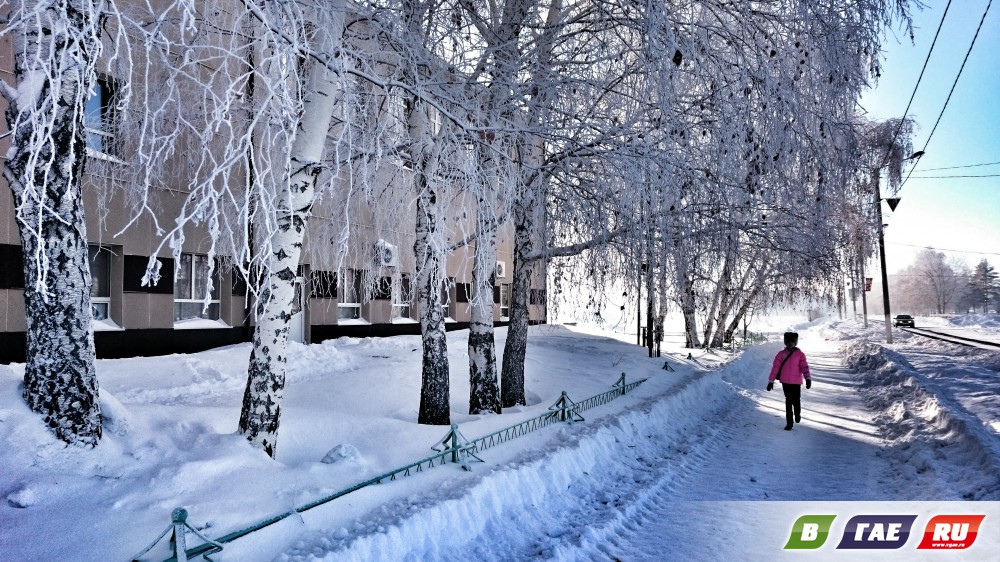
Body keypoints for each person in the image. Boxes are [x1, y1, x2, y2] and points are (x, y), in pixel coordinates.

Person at [766, 331, 811, 430]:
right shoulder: (780, 354)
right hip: (785, 382)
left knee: (796, 400)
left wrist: (808, 378)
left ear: (795, 342)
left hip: (796, 382)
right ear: (785, 342)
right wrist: (770, 381)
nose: (790, 343)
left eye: (792, 341)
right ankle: (789, 423)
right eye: (788, 341)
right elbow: (775, 368)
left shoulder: (800, 354)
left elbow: (804, 367)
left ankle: (797, 414)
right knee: (789, 401)